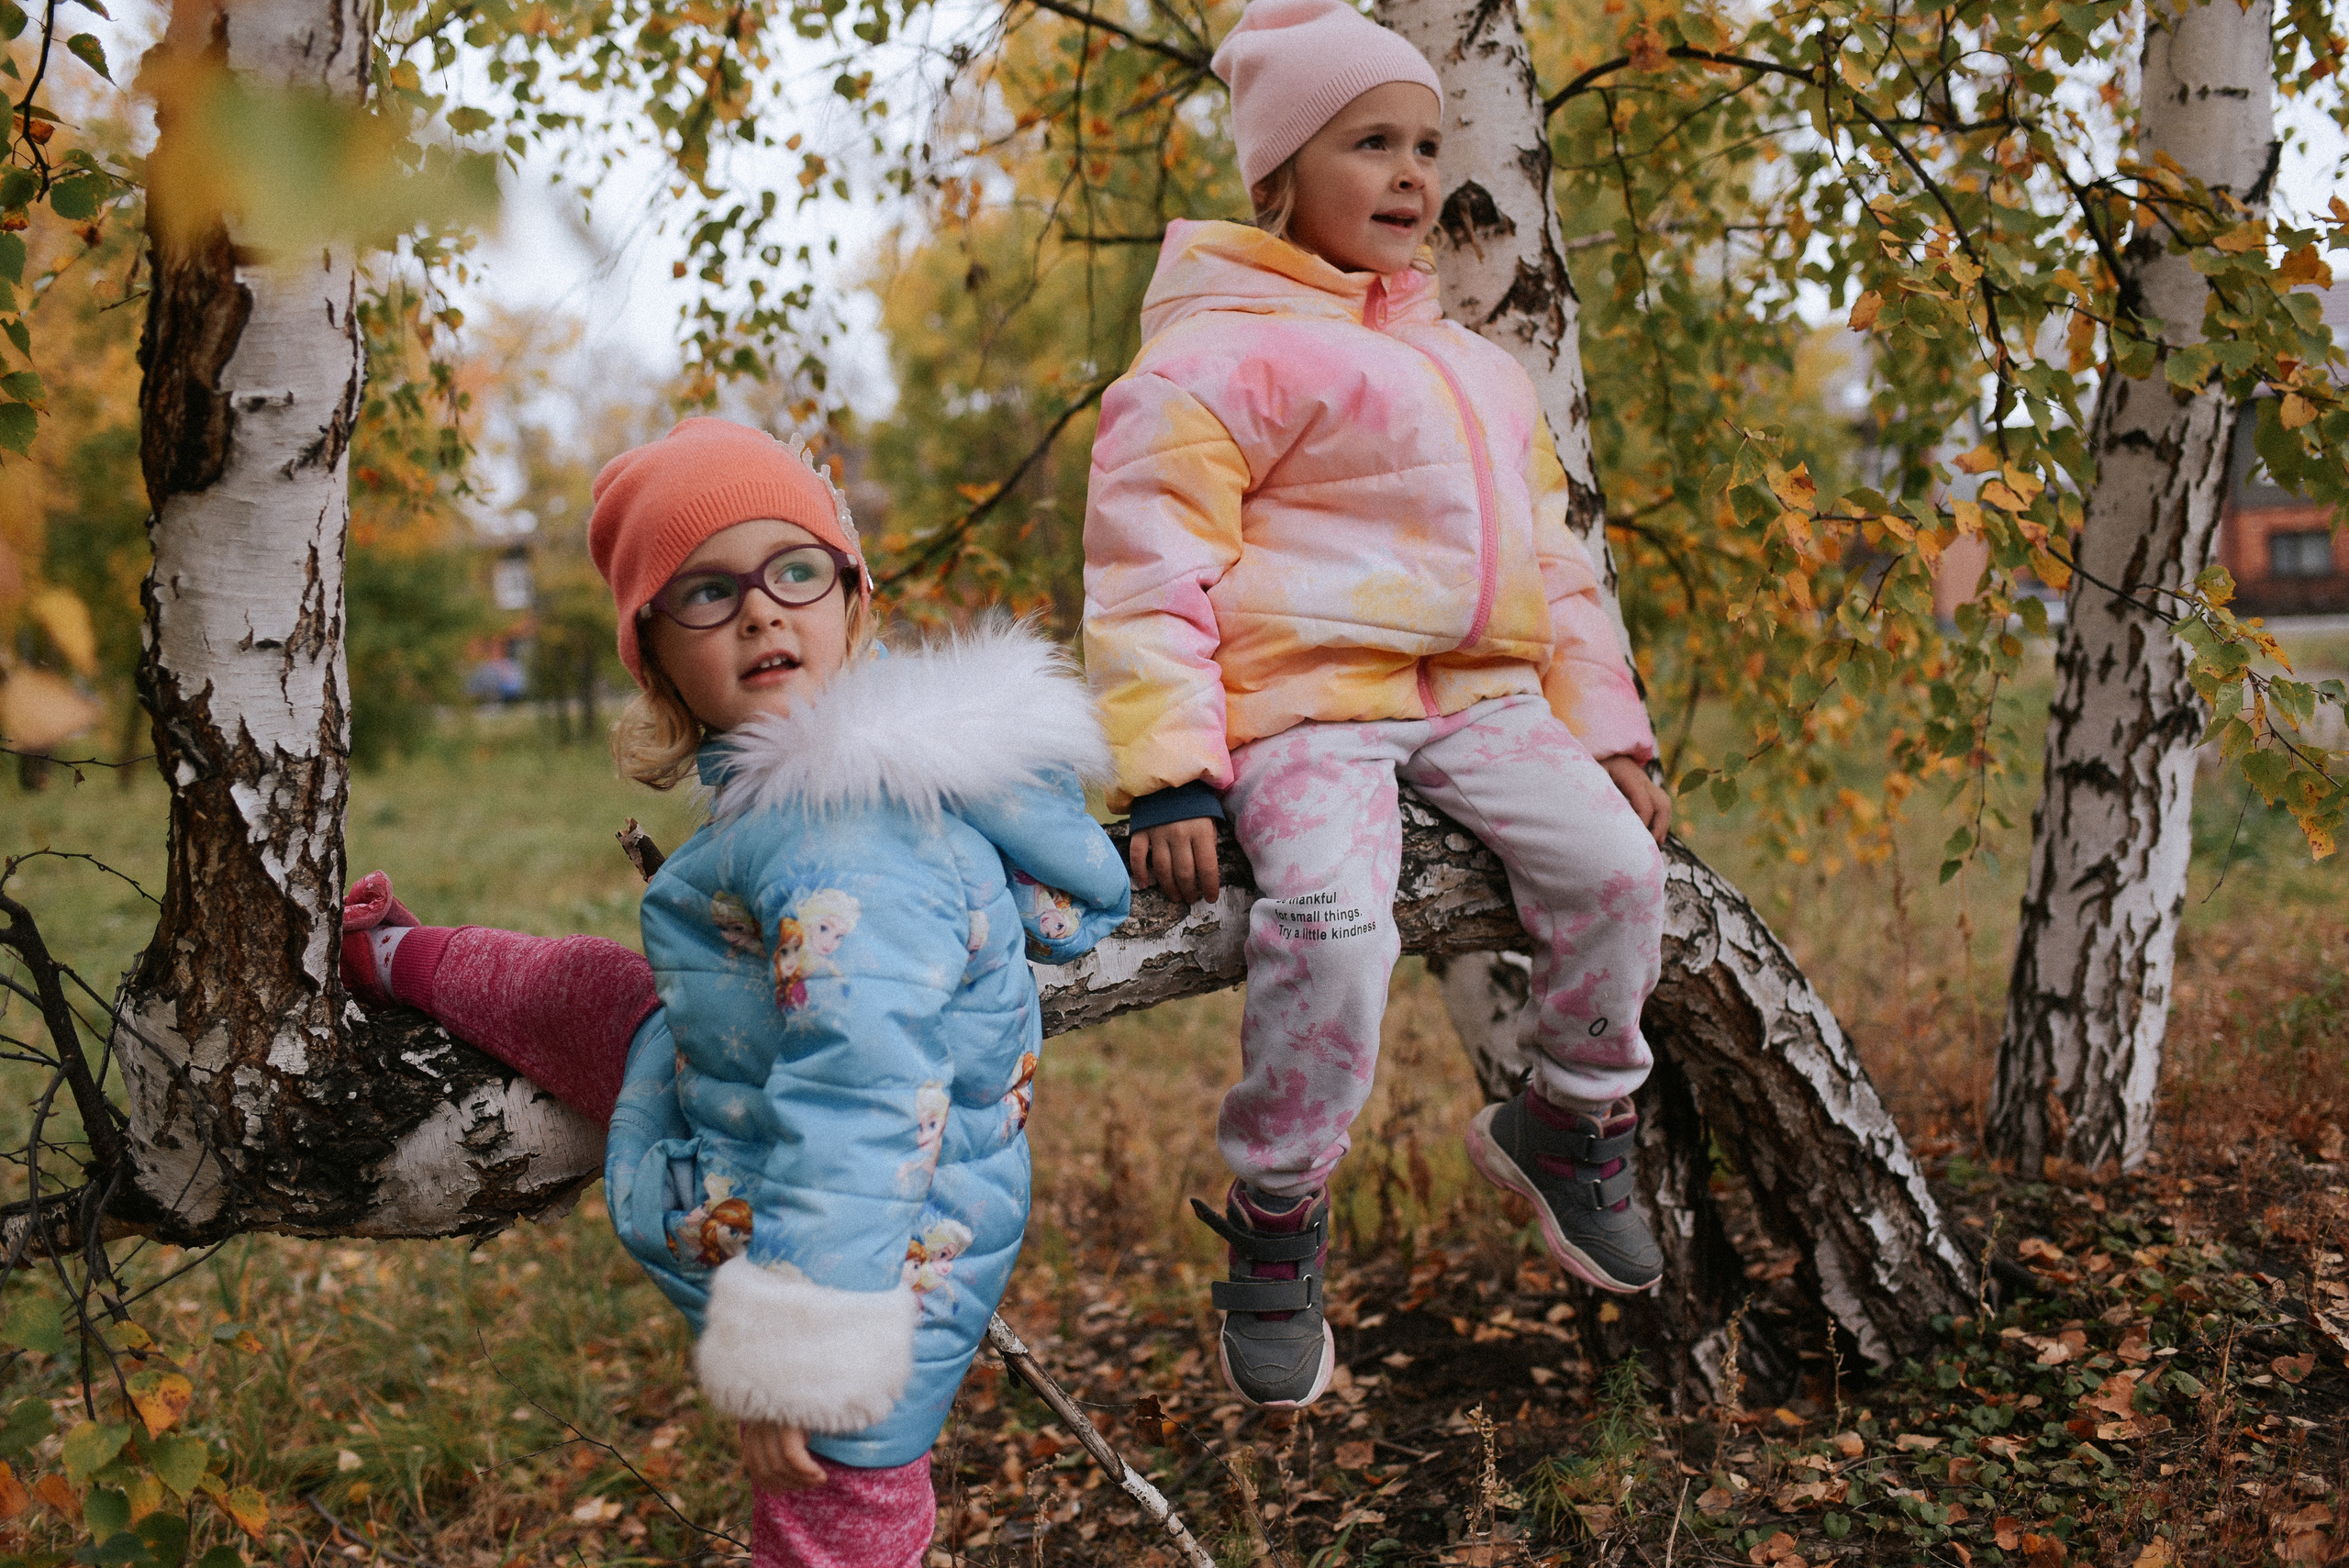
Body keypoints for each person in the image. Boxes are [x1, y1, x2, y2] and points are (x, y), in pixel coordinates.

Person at [351, 417, 1131, 1568]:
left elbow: (866, 1093)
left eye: (795, 570)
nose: (762, 608)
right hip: (808, 1162)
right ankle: (394, 955)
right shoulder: (817, 802)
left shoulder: (844, 835)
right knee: (594, 994)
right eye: (708, 592)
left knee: (835, 1545)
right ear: (657, 655)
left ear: (852, 603)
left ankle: (391, 957)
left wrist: (797, 1360)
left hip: (857, 1289)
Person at [1081, 0, 1675, 1412]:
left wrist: (1610, 737)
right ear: (1277, 176)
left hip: (1482, 701)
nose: (1413, 173)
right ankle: (1278, 1216)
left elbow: (1560, 568)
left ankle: (1572, 1116)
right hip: (1307, 714)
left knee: (1619, 867)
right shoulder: (1210, 358)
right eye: (1371, 144)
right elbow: (1147, 569)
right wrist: (1168, 773)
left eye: (1426, 143)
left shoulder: (1476, 365)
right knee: (1338, 926)